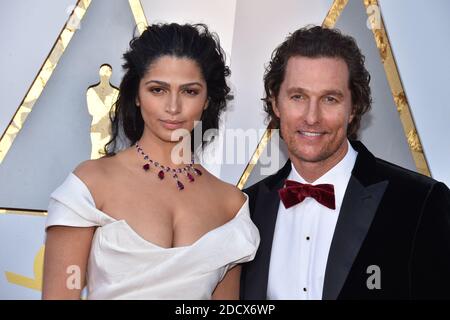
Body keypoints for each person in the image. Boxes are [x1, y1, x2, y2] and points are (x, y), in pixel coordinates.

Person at [42, 23, 260, 300]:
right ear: (136, 94)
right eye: (158, 90)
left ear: (207, 100)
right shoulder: (92, 185)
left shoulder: (231, 205)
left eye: (189, 91)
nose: (173, 107)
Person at [240, 25, 450, 300]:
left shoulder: (420, 202)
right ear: (276, 104)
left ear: (354, 108)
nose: (312, 117)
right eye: (298, 97)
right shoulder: (247, 208)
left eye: (330, 99)